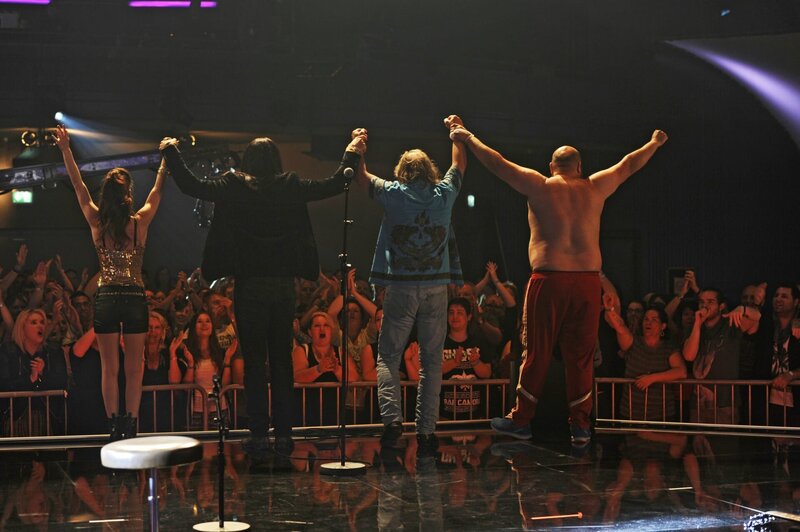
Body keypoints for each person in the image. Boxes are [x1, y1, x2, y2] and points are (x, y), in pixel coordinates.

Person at [449, 117, 668, 445]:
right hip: (587, 282)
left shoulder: (539, 185)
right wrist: (654, 143)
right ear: (579, 167)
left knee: (536, 351)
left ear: (552, 167)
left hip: (549, 279)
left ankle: (521, 420)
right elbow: (628, 164)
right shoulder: (595, 186)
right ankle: (580, 426)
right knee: (580, 356)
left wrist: (466, 137)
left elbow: (497, 163)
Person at [160, 133, 364, 455]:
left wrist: (170, 151)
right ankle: (284, 435)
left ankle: (258, 435)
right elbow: (336, 183)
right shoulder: (290, 185)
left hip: (249, 285)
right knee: (282, 362)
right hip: (282, 287)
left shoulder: (233, 185)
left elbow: (191, 185)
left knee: (254, 362)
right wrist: (352, 152)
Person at [352, 116, 467, 455]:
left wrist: (358, 149)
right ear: (430, 170)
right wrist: (456, 133)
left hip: (401, 288)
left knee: (388, 356)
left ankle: (392, 421)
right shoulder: (444, 195)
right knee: (432, 362)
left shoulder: (393, 194)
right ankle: (427, 432)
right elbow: (459, 165)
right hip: (435, 289)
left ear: (402, 171)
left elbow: (361, 179)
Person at [54, 125, 166, 440]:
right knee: (134, 367)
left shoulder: (96, 221)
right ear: (127, 196)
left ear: (106, 196)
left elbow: (79, 187)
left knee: (109, 366)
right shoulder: (138, 224)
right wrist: (164, 165)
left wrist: (66, 150)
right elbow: (156, 195)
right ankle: (130, 424)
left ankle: (114, 425)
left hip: (107, 297)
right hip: (133, 297)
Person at [604, 305, 686, 421]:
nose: (648, 322)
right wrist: (610, 309)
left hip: (662, 414)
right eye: (646, 319)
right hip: (631, 411)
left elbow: (681, 371)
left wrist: (652, 378)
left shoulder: (669, 348)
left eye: (654, 320)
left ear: (663, 326)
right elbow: (620, 327)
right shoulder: (633, 342)